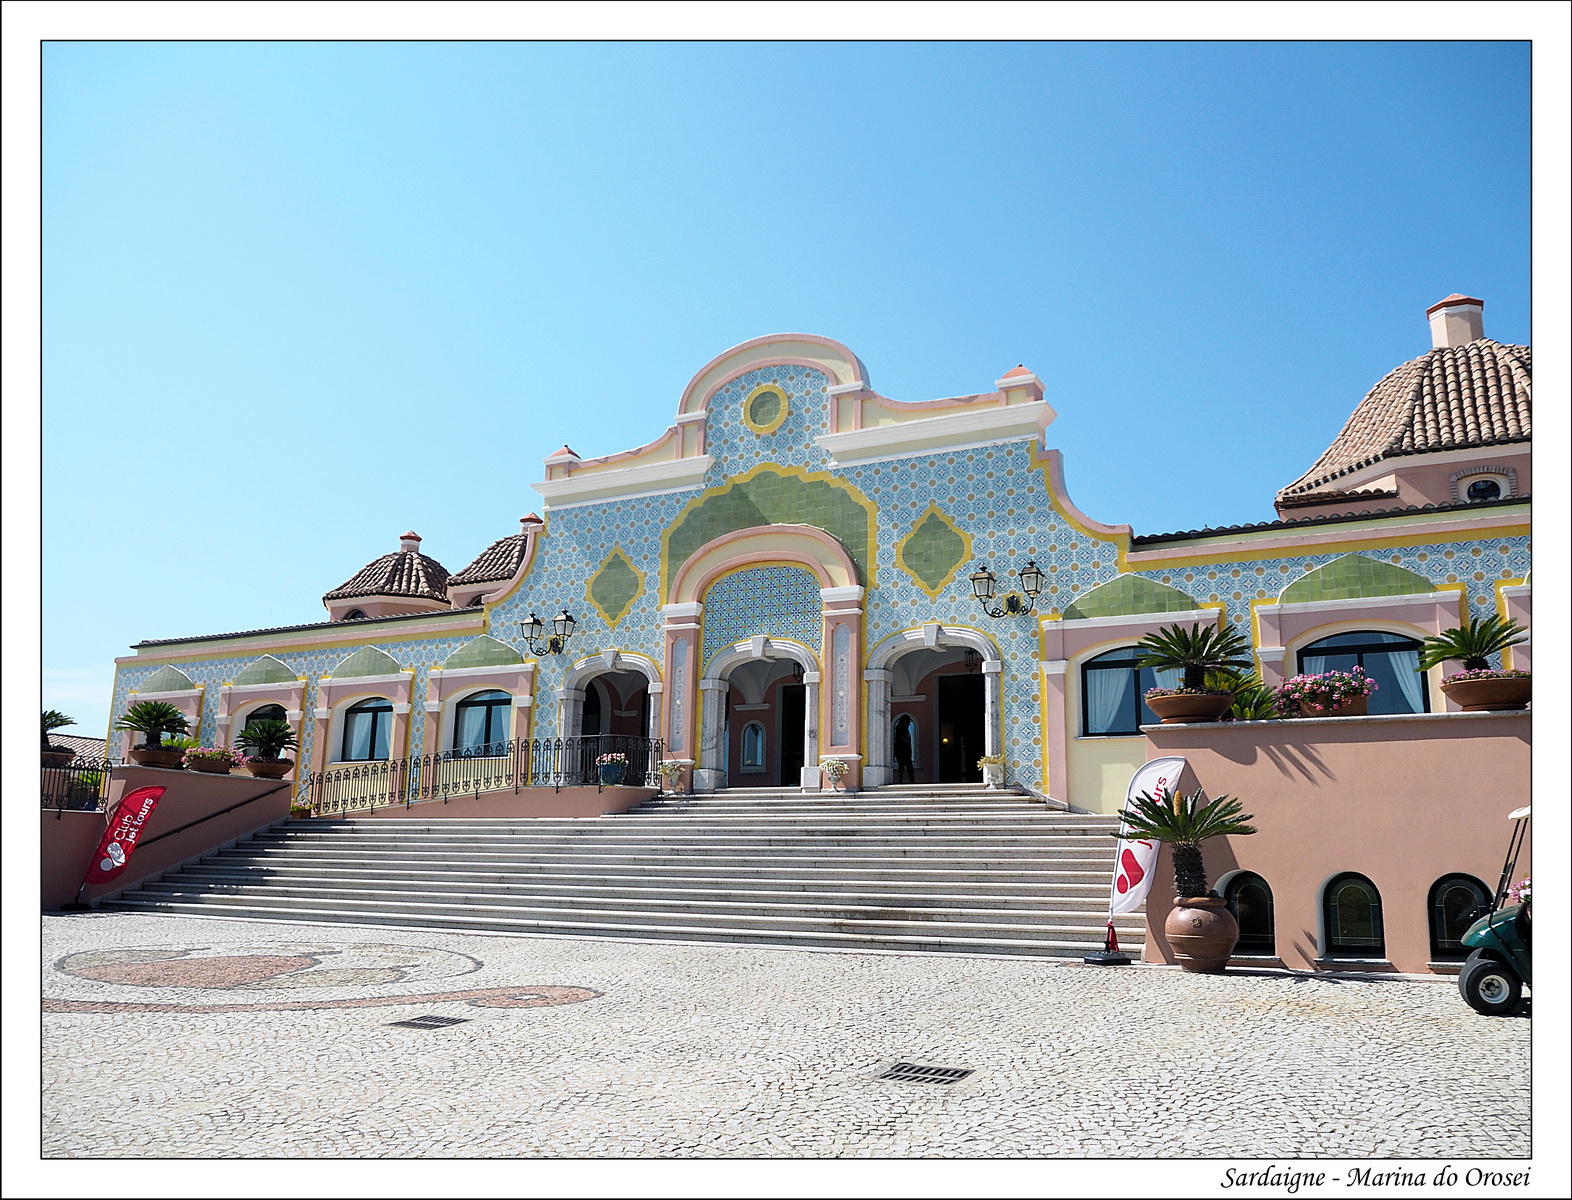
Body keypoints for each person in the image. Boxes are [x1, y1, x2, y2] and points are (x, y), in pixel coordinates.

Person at [893, 716, 917, 785]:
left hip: (905, 751)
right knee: (902, 766)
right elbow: (904, 739)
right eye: (908, 722)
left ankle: (911, 782)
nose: (909, 724)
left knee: (907, 766)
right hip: (901, 751)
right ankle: (902, 782)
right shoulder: (900, 729)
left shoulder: (905, 729)